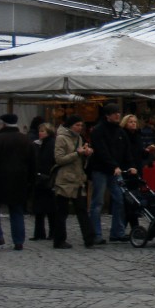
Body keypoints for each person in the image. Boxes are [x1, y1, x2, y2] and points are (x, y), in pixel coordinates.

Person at [0, 113, 36, 250]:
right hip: (19, 181)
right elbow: (33, 163)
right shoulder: (26, 141)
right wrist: (31, 182)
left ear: (3, 124)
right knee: (17, 210)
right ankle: (18, 241)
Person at [88, 103, 131, 243]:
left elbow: (126, 151)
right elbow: (101, 151)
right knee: (98, 202)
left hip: (115, 170)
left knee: (119, 199)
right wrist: (114, 166)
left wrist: (130, 166)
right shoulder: (98, 130)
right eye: (114, 113)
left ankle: (117, 232)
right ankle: (96, 234)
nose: (118, 115)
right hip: (101, 169)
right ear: (107, 115)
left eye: (118, 112)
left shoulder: (120, 131)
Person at [51, 114, 95, 249]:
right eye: (77, 125)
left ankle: (89, 238)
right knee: (62, 211)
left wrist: (86, 154)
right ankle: (59, 240)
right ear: (70, 125)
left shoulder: (79, 138)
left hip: (78, 179)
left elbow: (79, 159)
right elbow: (59, 159)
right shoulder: (61, 138)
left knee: (82, 209)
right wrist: (78, 153)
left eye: (81, 125)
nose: (80, 127)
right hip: (65, 180)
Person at [30, 122, 57, 241]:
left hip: (47, 178)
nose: (40, 133)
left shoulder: (51, 144)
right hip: (40, 178)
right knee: (39, 207)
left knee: (50, 208)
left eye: (42, 131)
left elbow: (49, 161)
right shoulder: (37, 144)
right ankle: (40, 233)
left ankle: (51, 232)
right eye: (39, 131)